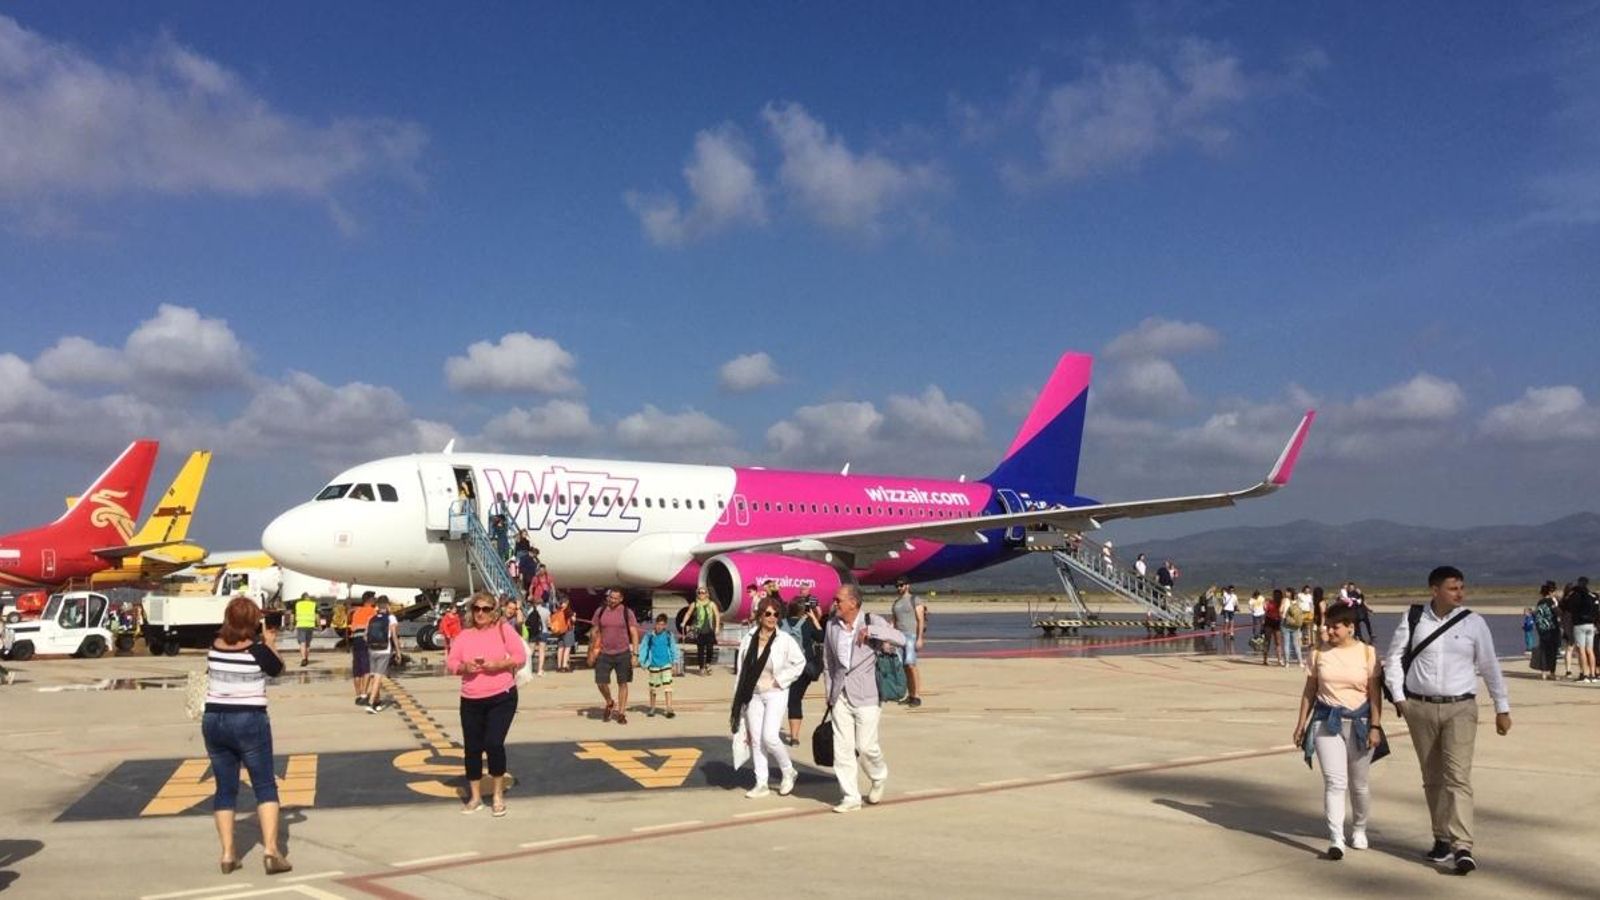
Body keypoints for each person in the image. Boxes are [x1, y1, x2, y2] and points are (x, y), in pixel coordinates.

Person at [1383, 565, 1512, 875]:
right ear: (1435, 590)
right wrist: (1400, 699)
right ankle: (1441, 838)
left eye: (1462, 588)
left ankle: (1462, 845)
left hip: (1460, 708)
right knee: (1433, 777)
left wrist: (1501, 706)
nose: (1460, 593)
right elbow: (1393, 659)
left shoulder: (1473, 623)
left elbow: (1490, 665)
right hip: (1420, 708)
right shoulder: (1414, 619)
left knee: (1457, 777)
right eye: (1453, 588)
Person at [203, 596, 291, 875]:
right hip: (248, 719)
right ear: (254, 622)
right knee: (264, 785)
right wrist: (271, 643)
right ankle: (271, 851)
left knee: (225, 789)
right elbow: (278, 670)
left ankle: (228, 854)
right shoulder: (257, 651)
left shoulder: (214, 647)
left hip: (214, 719)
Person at [1293, 603, 1382, 859]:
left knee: (1359, 784)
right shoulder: (1318, 654)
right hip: (1326, 721)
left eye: (1335, 627)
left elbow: (1375, 694)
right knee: (1334, 782)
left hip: (1360, 723)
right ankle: (1336, 838)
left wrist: (1375, 726)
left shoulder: (1367, 654)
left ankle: (1360, 828)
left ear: (1350, 627)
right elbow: (1310, 690)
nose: (1329, 631)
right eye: (1327, 626)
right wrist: (1301, 723)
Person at [823, 584, 906, 813]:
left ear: (853, 603)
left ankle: (878, 776)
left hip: (867, 694)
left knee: (866, 746)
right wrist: (830, 693)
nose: (835, 603)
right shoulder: (832, 625)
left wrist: (873, 632)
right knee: (842, 748)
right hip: (840, 694)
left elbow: (900, 638)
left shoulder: (872, 620)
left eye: (839, 600)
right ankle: (850, 796)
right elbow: (828, 662)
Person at [445, 591, 525, 817]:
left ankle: (498, 795)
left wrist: (498, 664)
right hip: (471, 698)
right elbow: (451, 661)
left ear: (493, 612)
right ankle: (475, 797)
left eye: (485, 609)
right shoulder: (464, 635)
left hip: (501, 695)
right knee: (472, 748)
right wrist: (464, 668)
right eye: (476, 609)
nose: (480, 613)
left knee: (494, 743)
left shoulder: (503, 630)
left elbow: (520, 656)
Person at [732, 596, 805, 798]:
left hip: (775, 692)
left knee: (770, 737)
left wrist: (780, 680)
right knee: (756, 739)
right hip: (753, 694)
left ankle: (788, 771)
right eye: (768, 613)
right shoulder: (748, 638)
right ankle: (761, 783)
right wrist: (737, 699)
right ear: (760, 615)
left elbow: (799, 663)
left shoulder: (784, 640)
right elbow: (741, 671)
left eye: (776, 614)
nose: (772, 617)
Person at [590, 589, 640, 724]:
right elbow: (594, 632)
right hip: (604, 653)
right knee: (601, 682)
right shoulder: (600, 611)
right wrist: (591, 652)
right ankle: (609, 701)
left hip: (622, 653)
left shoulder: (627, 613)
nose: (612, 600)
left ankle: (621, 713)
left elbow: (634, 633)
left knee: (622, 683)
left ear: (621, 599)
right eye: (610, 597)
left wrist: (635, 654)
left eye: (615, 598)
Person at [783, 597, 824, 747]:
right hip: (802, 668)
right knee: (795, 701)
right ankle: (794, 737)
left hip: (783, 668)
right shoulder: (807, 624)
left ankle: (769, 731)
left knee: (778, 700)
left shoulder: (781, 623)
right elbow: (821, 636)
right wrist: (814, 618)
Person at [889, 576, 927, 707]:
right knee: (904, 667)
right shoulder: (896, 603)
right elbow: (893, 621)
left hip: (911, 636)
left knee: (911, 665)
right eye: (897, 586)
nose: (899, 588)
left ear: (907, 585)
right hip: (899, 637)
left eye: (901, 585)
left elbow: (920, 620)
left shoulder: (915, 600)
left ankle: (917, 696)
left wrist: (920, 637)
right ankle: (910, 695)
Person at [638, 614, 678, 718]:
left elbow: (673, 648)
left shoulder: (669, 635)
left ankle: (669, 707)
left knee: (668, 687)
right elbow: (644, 647)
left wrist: (675, 662)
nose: (660, 627)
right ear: (655, 624)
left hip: (666, 664)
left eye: (662, 625)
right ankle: (652, 707)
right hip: (653, 664)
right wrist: (642, 661)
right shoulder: (649, 635)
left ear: (665, 625)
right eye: (658, 624)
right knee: (653, 688)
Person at [364, 596, 398, 712]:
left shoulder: (371, 618)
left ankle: (377, 701)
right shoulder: (391, 618)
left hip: (372, 650)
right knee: (379, 677)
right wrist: (398, 651)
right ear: (388, 605)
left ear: (377, 606)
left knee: (373, 676)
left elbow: (365, 635)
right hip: (384, 650)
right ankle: (371, 702)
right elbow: (394, 636)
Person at [684, 588, 722, 675]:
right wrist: (684, 622)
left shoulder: (711, 604)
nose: (701, 594)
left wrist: (717, 627)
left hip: (709, 630)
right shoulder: (694, 604)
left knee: (710, 649)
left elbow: (717, 615)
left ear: (707, 594)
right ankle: (701, 668)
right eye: (699, 593)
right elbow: (688, 613)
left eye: (703, 593)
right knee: (700, 650)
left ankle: (708, 664)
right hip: (699, 630)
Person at [1568, 577, 1598, 683]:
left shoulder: (1575, 595)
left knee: (1581, 650)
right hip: (1590, 624)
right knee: (1590, 650)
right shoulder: (1592, 595)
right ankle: (1593, 675)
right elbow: (1596, 609)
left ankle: (1585, 675)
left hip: (1579, 624)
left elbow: (1569, 607)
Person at [348, 593, 376, 707]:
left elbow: (353, 626)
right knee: (366, 669)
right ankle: (364, 695)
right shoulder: (372, 611)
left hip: (356, 640)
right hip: (365, 640)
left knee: (357, 669)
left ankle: (358, 695)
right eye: (374, 599)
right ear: (370, 600)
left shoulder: (357, 611)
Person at [1531, 582, 1562, 680]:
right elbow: (1558, 613)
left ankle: (1544, 672)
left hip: (1542, 630)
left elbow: (1537, 615)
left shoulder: (1540, 602)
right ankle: (1552, 672)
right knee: (1553, 651)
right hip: (1552, 629)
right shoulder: (1551, 602)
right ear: (1550, 592)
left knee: (1543, 650)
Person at [549, 594, 576, 673]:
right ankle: (564, 666)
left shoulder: (558, 610)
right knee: (567, 648)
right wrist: (574, 616)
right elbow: (573, 620)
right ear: (567, 602)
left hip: (559, 631)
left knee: (560, 648)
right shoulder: (568, 610)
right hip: (568, 631)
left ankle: (559, 666)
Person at [1282, 588, 1306, 668]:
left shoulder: (1285, 600)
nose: (1285, 593)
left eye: (1286, 592)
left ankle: (1287, 663)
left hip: (1286, 623)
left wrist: (1282, 615)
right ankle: (1300, 662)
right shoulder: (1297, 601)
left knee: (1286, 644)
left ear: (1289, 593)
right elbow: (1301, 612)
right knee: (1297, 644)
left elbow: (1281, 610)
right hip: (1296, 624)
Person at [292, 592, 317, 667]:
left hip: (301, 625)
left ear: (302, 598)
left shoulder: (297, 604)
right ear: (308, 597)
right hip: (310, 626)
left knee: (303, 642)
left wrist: (292, 624)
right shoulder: (313, 604)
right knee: (308, 644)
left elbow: (293, 615)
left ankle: (304, 659)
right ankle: (306, 658)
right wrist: (319, 625)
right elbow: (317, 615)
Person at [1262, 589, 1285, 666]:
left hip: (1276, 623)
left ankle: (1279, 659)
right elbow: (1265, 610)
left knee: (1277, 642)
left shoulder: (1281, 602)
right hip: (1269, 622)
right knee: (1268, 641)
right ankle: (1266, 659)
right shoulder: (1270, 602)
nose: (1276, 596)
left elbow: (1281, 612)